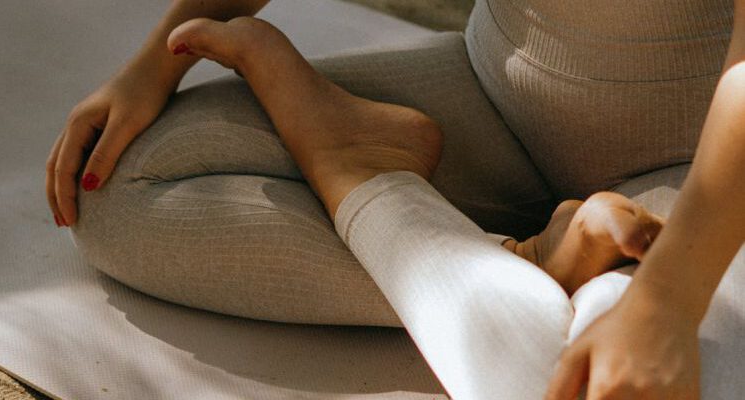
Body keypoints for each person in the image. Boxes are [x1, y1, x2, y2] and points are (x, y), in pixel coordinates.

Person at [45, 1, 745, 399]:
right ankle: (531, 257)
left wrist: (664, 304)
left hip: (697, 173)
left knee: (607, 387)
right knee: (121, 189)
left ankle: (357, 175)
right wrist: (154, 64)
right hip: (490, 98)